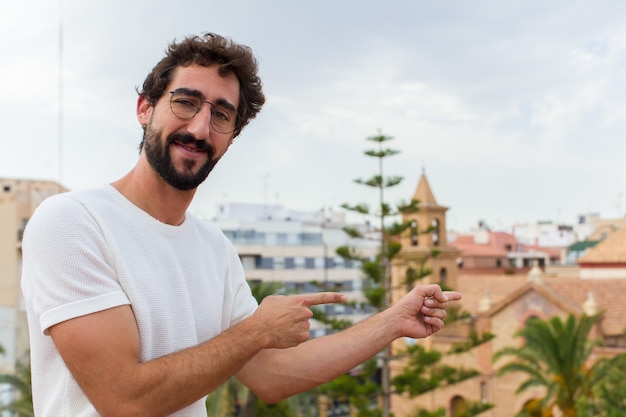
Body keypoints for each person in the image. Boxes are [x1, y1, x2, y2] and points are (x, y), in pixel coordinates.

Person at [21, 32, 462, 417]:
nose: (199, 127)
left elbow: (272, 376)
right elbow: (125, 400)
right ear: (144, 108)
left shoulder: (212, 247)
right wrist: (255, 332)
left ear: (231, 136)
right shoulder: (73, 221)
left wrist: (393, 321)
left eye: (221, 115)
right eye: (185, 102)